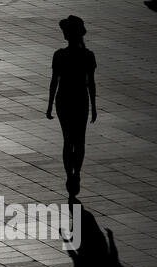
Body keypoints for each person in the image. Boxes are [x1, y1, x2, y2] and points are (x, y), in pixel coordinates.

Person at [46, 16, 97, 195]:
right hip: (80, 99)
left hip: (64, 100)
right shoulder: (88, 56)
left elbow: (54, 82)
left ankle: (69, 174)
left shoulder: (59, 55)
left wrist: (50, 104)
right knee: (79, 140)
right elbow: (91, 83)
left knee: (68, 140)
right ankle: (77, 173)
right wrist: (94, 106)